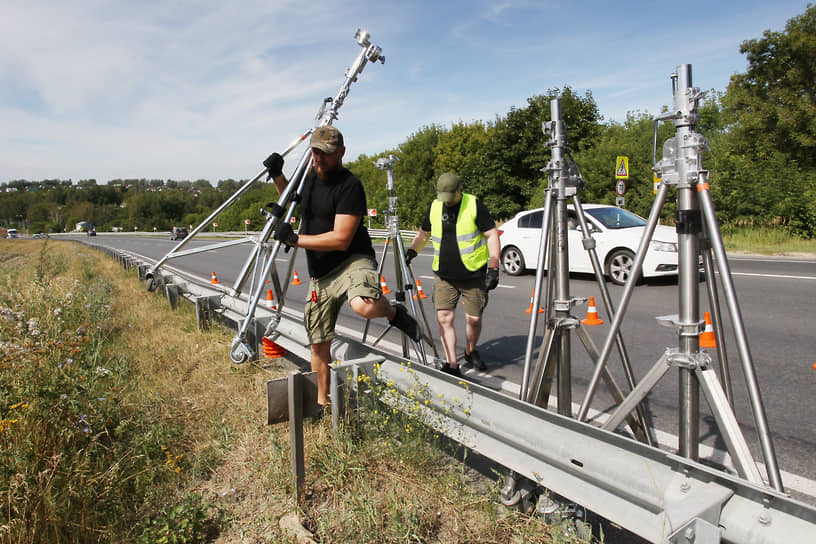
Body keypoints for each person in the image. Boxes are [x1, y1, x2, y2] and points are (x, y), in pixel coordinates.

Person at [263, 126, 421, 411]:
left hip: (351, 260)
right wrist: (277, 175)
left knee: (363, 305)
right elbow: (290, 201)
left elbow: (341, 238)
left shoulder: (350, 186)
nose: (319, 159)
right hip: (320, 273)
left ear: (341, 153)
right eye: (315, 153)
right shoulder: (309, 176)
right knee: (318, 344)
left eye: (326, 154)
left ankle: (393, 311)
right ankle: (323, 403)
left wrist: (295, 239)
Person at [406, 172, 500, 378]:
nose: (446, 202)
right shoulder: (434, 207)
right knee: (444, 318)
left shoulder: (474, 205)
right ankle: (452, 364)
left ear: (459, 190)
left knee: (474, 319)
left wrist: (494, 267)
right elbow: (424, 233)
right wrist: (413, 250)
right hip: (444, 275)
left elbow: (492, 235)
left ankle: (469, 351)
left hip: (473, 275)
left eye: (450, 197)